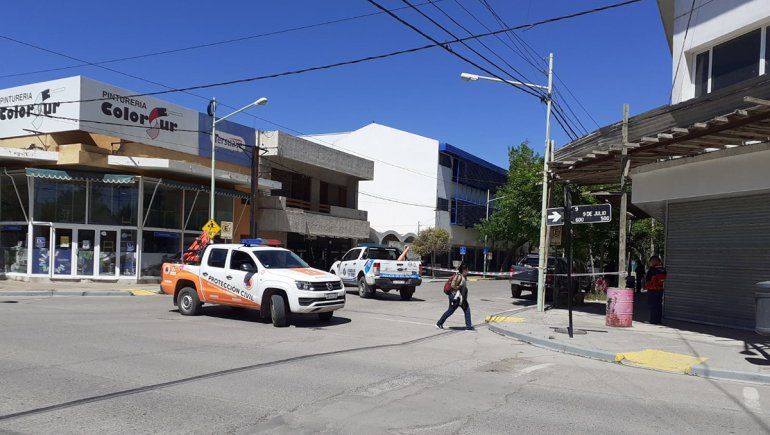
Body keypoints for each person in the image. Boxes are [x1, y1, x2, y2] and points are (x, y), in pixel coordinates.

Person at [436, 264, 473, 330]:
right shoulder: (459, 276)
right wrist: (458, 288)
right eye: (467, 270)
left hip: (458, 296)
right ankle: (439, 323)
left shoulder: (462, 276)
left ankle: (469, 326)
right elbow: (453, 285)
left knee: (465, 309)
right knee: (451, 310)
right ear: (463, 270)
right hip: (455, 297)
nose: (468, 271)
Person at [644, 255, 666, 324]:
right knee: (659, 305)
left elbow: (648, 278)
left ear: (655, 261)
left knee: (653, 305)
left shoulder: (652, 269)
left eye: (651, 261)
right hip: (660, 289)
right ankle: (658, 320)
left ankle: (653, 320)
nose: (651, 263)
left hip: (652, 289)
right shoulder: (663, 269)